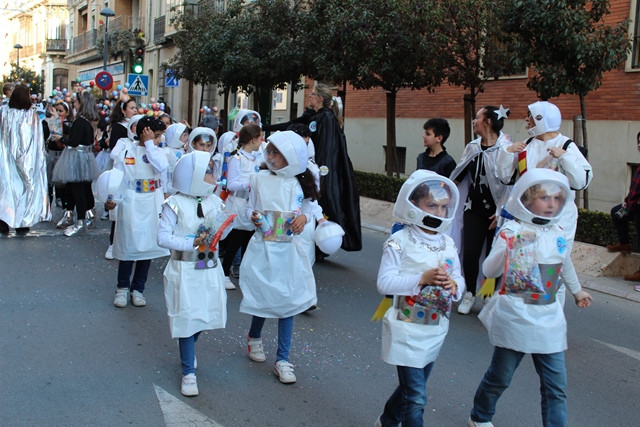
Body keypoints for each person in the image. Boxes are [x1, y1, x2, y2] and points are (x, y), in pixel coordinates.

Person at [467, 169, 592, 427]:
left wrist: (577, 291)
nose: (551, 203)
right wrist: (507, 248)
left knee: (556, 386)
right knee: (501, 376)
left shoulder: (557, 231)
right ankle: (480, 416)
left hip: (549, 316)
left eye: (557, 198)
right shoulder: (511, 229)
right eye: (544, 197)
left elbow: (564, 261)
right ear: (526, 199)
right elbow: (489, 271)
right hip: (516, 316)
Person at [375, 170, 464, 427]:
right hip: (406, 328)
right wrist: (420, 279)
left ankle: (388, 419)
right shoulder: (399, 241)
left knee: (412, 389)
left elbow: (459, 279)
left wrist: (454, 284)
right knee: (416, 398)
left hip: (435, 329)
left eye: (444, 206)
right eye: (431, 205)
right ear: (413, 205)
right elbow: (384, 283)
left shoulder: (448, 243)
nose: (438, 212)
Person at [239, 131, 318, 384]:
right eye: (269, 151)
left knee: (288, 301)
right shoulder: (259, 178)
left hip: (289, 249)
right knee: (263, 295)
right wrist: (254, 216)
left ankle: (283, 358)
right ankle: (255, 336)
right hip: (264, 246)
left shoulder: (300, 181)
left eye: (277, 153)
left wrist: (305, 217)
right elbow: (250, 206)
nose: (271, 157)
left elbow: (310, 207)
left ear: (291, 158)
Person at [496, 100, 593, 306]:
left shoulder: (566, 145)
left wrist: (564, 158)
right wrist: (507, 153)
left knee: (555, 263)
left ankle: (554, 311)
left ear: (541, 119)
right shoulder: (527, 146)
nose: (526, 120)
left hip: (560, 218)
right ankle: (524, 310)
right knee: (525, 265)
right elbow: (507, 178)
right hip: (528, 219)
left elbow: (582, 181)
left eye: (530, 116)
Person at [157, 151, 230, 397]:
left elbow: (221, 234)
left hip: (208, 267)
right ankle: (189, 372)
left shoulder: (214, 200)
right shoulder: (174, 203)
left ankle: (186, 344)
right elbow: (162, 237)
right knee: (187, 316)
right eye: (208, 172)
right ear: (194, 176)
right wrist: (193, 242)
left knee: (205, 314)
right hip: (184, 269)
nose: (212, 176)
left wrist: (223, 229)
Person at [262, 83, 362, 252]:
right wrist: (266, 129)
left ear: (320, 99)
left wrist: (317, 171)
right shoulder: (313, 116)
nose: (309, 97)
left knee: (318, 204)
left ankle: (321, 242)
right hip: (306, 168)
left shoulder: (327, 118)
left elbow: (327, 148)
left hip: (320, 171)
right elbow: (292, 125)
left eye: (312, 94)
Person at [449, 105, 512, 315]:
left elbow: (511, 183)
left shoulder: (506, 148)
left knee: (494, 257)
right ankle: (469, 293)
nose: (474, 121)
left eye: (477, 118)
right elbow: (460, 172)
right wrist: (444, 188)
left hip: (497, 213)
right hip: (473, 209)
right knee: (471, 253)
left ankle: (488, 296)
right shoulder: (473, 147)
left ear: (487, 122)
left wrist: (502, 211)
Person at [107, 116, 169, 308]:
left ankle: (138, 289)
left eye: (159, 136)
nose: (158, 139)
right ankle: (122, 288)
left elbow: (162, 168)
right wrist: (111, 199)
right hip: (131, 200)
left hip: (152, 201)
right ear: (143, 133)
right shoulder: (127, 150)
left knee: (147, 247)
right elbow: (118, 177)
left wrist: (151, 144)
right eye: (155, 135)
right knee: (129, 244)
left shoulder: (158, 152)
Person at [0, 84, 50, 236]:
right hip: (27, 160)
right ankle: (23, 223)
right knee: (25, 190)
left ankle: (4, 222)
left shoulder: (3, 112)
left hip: (5, 158)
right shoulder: (31, 115)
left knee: (6, 189)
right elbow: (38, 139)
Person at [220, 122, 264, 289]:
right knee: (235, 241)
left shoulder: (258, 157)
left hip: (252, 203)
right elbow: (231, 184)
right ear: (253, 140)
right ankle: (224, 273)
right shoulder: (236, 158)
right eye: (260, 138)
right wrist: (250, 183)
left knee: (248, 241)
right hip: (238, 204)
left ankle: (246, 274)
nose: (262, 141)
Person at [51, 91, 99, 236]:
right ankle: (87, 217)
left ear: (81, 103)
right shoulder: (87, 122)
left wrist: (60, 138)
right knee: (85, 188)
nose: (73, 105)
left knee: (78, 189)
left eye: (75, 102)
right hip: (85, 157)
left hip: (77, 158)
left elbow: (73, 141)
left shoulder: (80, 121)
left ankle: (81, 221)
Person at [606, 131, 640, 284]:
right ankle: (624, 243)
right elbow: (634, 187)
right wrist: (627, 201)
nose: (639, 145)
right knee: (616, 212)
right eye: (638, 141)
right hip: (633, 206)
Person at [46, 101, 75, 229]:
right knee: (48, 183)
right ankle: (46, 210)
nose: (58, 113)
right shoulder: (46, 122)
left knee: (63, 184)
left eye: (61, 111)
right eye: (56, 110)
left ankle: (65, 209)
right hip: (51, 155)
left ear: (67, 113)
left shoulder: (69, 125)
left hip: (63, 155)